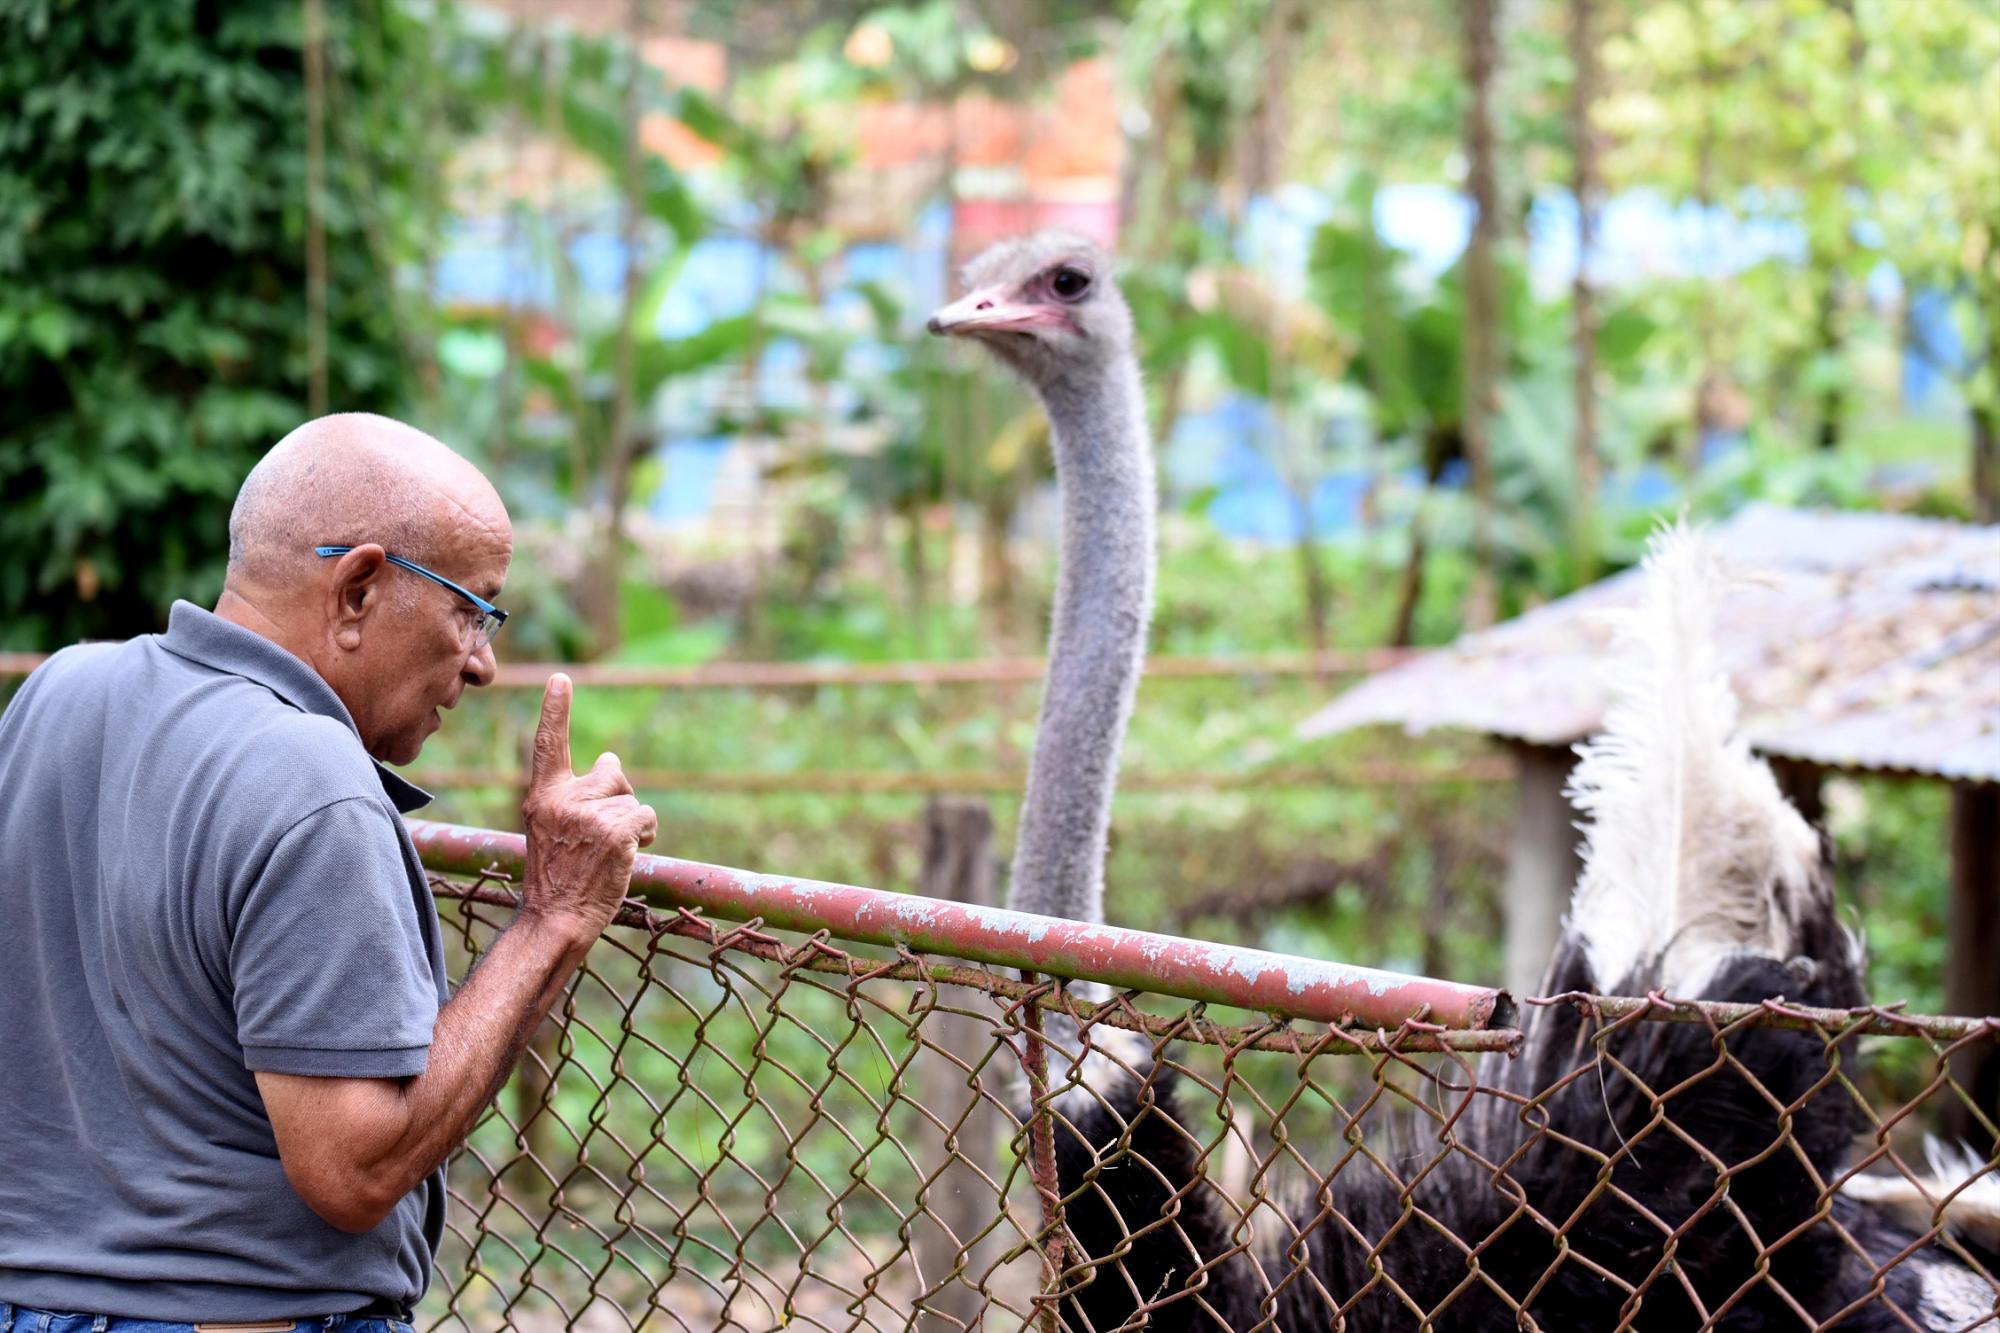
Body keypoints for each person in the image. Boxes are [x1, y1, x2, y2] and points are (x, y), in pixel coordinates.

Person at [0, 414, 658, 1331]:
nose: (483, 663)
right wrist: (553, 917)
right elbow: (353, 1170)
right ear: (357, 590)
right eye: (471, 608)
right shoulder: (312, 780)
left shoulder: (59, 692)